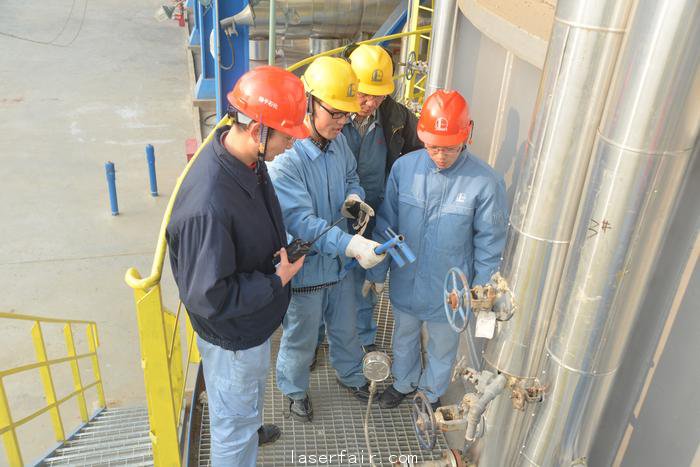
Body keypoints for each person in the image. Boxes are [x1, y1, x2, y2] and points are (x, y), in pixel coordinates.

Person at [166, 66, 309, 466]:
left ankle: (251, 428)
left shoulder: (245, 160)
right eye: (286, 136)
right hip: (233, 339)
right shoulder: (208, 205)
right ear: (258, 130)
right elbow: (209, 296)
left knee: (244, 408)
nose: (290, 146)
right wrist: (276, 280)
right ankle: (243, 439)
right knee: (233, 432)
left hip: (251, 325)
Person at [365, 89, 508, 410]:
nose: (440, 155)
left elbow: (489, 245)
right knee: (403, 337)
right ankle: (403, 382)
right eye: (433, 147)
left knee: (443, 347)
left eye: (449, 148)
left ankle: (429, 393)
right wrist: (376, 272)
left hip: (451, 290)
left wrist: (480, 293)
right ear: (421, 137)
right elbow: (387, 223)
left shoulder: (485, 182)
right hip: (406, 280)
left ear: (467, 135)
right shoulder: (404, 169)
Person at [268, 56, 386, 423]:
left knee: (345, 327)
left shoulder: (338, 145)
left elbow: (351, 175)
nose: (341, 122)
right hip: (305, 269)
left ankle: (350, 374)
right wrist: (352, 244)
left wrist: (355, 198)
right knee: (301, 337)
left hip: (339, 266)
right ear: (309, 102)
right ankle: (294, 390)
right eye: (334, 113)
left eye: (345, 115)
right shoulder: (286, 158)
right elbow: (302, 222)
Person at [340, 44, 423, 353]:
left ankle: (364, 337)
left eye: (378, 96)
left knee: (366, 279)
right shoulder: (330, 112)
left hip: (375, 213)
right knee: (325, 278)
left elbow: (423, 152)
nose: (370, 102)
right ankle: (320, 337)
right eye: (364, 94)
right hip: (334, 213)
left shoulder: (397, 118)